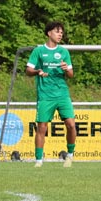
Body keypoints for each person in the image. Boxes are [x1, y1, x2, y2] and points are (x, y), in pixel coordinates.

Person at [25, 21, 75, 168]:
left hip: (62, 94)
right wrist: (37, 71)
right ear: (49, 33)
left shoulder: (64, 52)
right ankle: (39, 160)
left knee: (71, 125)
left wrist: (66, 69)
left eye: (62, 32)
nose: (60, 34)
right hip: (45, 95)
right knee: (42, 127)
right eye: (57, 32)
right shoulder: (39, 51)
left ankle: (70, 155)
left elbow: (71, 74)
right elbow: (28, 70)